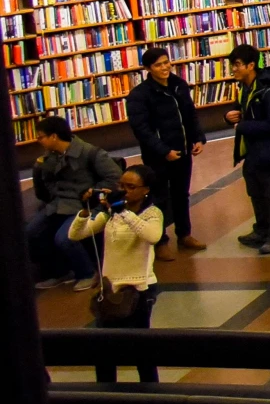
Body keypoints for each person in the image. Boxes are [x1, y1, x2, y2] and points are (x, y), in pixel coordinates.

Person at [69, 164, 164, 384]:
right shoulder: (110, 213)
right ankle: (106, 395)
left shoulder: (152, 213)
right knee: (104, 351)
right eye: (121, 185)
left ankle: (152, 394)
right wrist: (85, 211)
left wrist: (125, 212)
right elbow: (76, 235)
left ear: (145, 190)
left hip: (139, 289)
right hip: (111, 289)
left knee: (141, 351)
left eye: (131, 186)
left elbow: (153, 236)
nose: (124, 190)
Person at [125, 47, 206, 257]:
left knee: (181, 194)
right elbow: (142, 129)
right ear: (148, 69)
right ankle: (160, 240)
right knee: (158, 197)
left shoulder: (179, 86)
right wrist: (164, 151)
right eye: (158, 65)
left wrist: (197, 138)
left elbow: (190, 114)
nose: (164, 67)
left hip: (183, 151)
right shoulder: (139, 95)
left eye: (166, 62)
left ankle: (184, 233)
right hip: (157, 157)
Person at [28, 116, 116, 289]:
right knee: (32, 233)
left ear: (54, 136)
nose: (38, 141)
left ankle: (88, 273)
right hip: (58, 204)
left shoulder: (90, 152)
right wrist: (38, 170)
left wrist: (92, 191)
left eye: (40, 137)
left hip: (84, 205)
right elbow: (45, 188)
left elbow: (115, 178)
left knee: (65, 238)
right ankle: (61, 272)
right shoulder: (49, 157)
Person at [224, 43, 270, 255]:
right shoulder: (245, 88)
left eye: (237, 65)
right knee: (256, 192)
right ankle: (261, 230)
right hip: (253, 153)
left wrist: (243, 126)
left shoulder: (269, 90)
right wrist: (229, 117)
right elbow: (242, 112)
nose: (233, 69)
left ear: (250, 65)